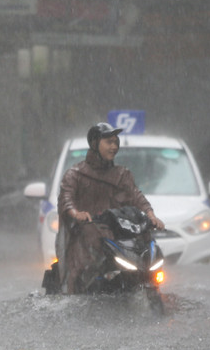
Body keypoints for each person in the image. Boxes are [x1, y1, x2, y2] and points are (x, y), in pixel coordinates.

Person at [57, 122, 165, 294]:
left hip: (119, 234)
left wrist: (151, 215)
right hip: (88, 236)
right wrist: (76, 214)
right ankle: (76, 293)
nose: (114, 146)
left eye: (116, 142)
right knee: (84, 265)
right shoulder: (75, 174)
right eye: (109, 142)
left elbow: (137, 196)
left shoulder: (122, 175)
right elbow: (66, 198)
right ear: (94, 143)